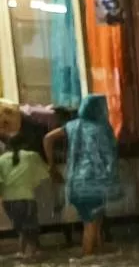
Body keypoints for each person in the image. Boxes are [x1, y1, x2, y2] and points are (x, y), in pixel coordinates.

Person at [44, 94, 118, 255]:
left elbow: (48, 138)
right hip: (95, 182)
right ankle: (88, 261)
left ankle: (99, 252)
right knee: (90, 224)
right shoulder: (103, 128)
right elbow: (110, 156)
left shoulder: (72, 126)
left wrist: (51, 166)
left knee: (94, 220)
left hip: (74, 183)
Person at [1, 130, 51, 257]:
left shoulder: (1, 159)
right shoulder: (32, 156)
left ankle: (22, 254)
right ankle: (31, 258)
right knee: (31, 232)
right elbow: (44, 173)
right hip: (26, 198)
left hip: (8, 202)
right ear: (24, 144)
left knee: (22, 231)